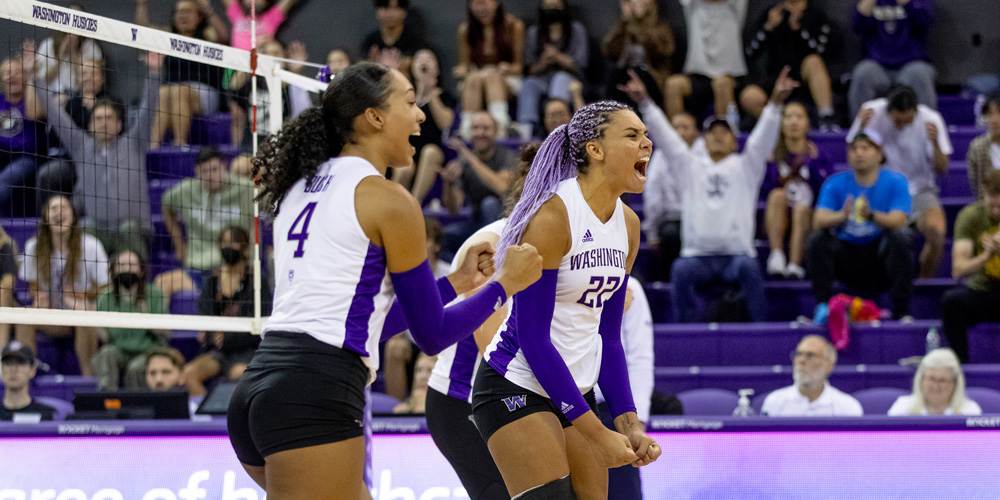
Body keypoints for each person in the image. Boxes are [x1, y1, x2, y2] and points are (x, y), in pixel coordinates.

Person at [225, 62, 542, 498]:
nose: (421, 115)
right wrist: (504, 284)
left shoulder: (299, 186)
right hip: (315, 392)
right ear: (373, 117)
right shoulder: (390, 200)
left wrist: (456, 283)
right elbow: (431, 337)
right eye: (410, 102)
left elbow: (369, 321)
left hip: (261, 386)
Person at [473, 100, 661, 499]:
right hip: (516, 383)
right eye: (632, 135)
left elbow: (609, 339)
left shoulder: (628, 224)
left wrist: (630, 425)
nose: (646, 143)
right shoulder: (554, 216)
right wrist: (596, 432)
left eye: (645, 134)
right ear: (595, 149)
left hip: (575, 390)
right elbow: (533, 338)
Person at [621, 67, 798, 322]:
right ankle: (687, 331)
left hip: (736, 256)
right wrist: (644, 103)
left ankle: (759, 328)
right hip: (697, 257)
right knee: (680, 270)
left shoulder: (745, 166)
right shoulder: (690, 165)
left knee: (749, 268)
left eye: (724, 132)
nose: (717, 136)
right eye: (712, 132)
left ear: (735, 141)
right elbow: (666, 137)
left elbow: (763, 139)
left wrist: (776, 103)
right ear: (703, 140)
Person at [422, 145, 536, 500]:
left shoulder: (564, 247)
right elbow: (492, 345)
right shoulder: (491, 243)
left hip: (519, 398)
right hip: (463, 401)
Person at [37, 51, 163, 259]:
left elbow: (148, 109)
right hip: (100, 230)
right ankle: (79, 289)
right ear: (90, 125)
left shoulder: (134, 142)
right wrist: (36, 78)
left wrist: (154, 71)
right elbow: (55, 116)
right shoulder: (81, 146)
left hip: (133, 230)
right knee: (83, 228)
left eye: (109, 118)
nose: (104, 122)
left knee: (129, 228)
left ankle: (137, 288)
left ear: (119, 124)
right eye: (98, 118)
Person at [809, 130, 913, 323]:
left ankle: (902, 311)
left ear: (879, 154)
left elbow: (899, 220)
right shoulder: (835, 183)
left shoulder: (895, 181)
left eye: (865, 148)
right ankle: (822, 306)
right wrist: (841, 215)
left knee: (899, 240)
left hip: (878, 258)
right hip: (847, 256)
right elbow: (818, 219)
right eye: (854, 148)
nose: (859, 153)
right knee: (818, 240)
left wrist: (871, 216)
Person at [848, 85, 952, 278]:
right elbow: (853, 154)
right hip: (885, 190)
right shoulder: (872, 112)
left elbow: (941, 168)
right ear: (888, 111)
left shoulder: (931, 119)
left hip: (921, 190)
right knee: (888, 239)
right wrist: (861, 129)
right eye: (897, 121)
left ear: (916, 110)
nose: (903, 125)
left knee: (937, 231)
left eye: (907, 120)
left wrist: (936, 143)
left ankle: (924, 282)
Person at [15, 195, 108, 376]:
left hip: (83, 313)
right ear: (46, 218)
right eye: (53, 208)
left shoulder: (90, 245)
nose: (59, 212)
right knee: (22, 317)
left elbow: (106, 288)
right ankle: (27, 372)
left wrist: (85, 294)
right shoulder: (34, 246)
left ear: (73, 216)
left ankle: (89, 377)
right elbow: (33, 287)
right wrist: (39, 298)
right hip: (54, 315)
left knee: (84, 316)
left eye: (64, 208)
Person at [155, 147, 255, 299]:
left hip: (231, 267)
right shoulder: (186, 190)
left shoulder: (245, 188)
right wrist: (178, 244)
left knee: (226, 293)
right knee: (162, 282)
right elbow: (166, 204)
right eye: (205, 171)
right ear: (197, 172)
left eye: (214, 169)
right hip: (196, 269)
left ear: (224, 167)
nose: (211, 176)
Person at [184, 226, 270, 397]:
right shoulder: (212, 281)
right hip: (218, 351)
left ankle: (230, 419)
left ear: (245, 248)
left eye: (233, 242)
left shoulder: (257, 281)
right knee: (189, 373)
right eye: (224, 242)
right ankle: (206, 420)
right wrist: (213, 337)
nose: (227, 246)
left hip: (246, 351)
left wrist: (226, 338)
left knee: (238, 374)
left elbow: (259, 325)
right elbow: (204, 318)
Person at [137, 0, 230, 147]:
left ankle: (180, 144)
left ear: (198, 17)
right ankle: (153, 148)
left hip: (205, 93)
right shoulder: (169, 37)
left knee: (180, 90)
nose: (183, 16)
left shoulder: (206, 35)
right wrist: (141, 5)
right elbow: (142, 30)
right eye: (179, 12)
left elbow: (224, 36)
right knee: (163, 92)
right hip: (173, 93)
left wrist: (207, 9)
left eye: (187, 11)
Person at [595, 278, 654, 500]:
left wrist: (637, 425)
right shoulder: (557, 281)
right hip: (565, 407)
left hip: (615, 412)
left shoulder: (631, 287)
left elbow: (640, 358)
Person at [742, 0, 839, 130]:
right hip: (775, 78)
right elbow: (751, 52)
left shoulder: (815, 14)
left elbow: (821, 51)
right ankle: (780, 127)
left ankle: (826, 117)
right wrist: (768, 27)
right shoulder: (773, 13)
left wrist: (799, 29)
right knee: (749, 96)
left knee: (813, 61)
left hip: (804, 79)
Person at [763, 102, 834, 278]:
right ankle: (777, 255)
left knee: (801, 208)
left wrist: (815, 165)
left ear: (807, 123)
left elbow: (827, 191)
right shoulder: (773, 154)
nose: (793, 122)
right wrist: (771, 166)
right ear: (781, 123)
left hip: (806, 214)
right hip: (779, 215)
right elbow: (765, 192)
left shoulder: (818, 154)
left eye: (799, 117)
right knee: (777, 195)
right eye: (788, 117)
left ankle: (795, 264)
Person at [383, 216, 449, 401]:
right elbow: (396, 322)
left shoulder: (451, 272)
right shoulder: (402, 274)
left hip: (445, 342)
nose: (418, 245)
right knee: (394, 347)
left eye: (425, 240)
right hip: (414, 343)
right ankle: (398, 411)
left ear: (436, 246)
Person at [942, 170, 1000, 364]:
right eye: (992, 205)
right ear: (983, 193)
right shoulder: (971, 216)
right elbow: (958, 269)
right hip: (983, 290)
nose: (996, 211)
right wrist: (985, 256)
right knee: (952, 301)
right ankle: (960, 366)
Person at [441, 112, 518, 255]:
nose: (480, 133)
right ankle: (462, 273)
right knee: (443, 237)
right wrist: (448, 184)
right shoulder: (463, 162)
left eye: (486, 128)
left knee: (489, 204)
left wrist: (470, 158)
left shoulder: (506, 156)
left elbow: (502, 187)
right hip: (476, 223)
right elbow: (453, 210)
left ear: (495, 132)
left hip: (504, 226)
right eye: (476, 128)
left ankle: (495, 260)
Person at [92, 250, 169, 391]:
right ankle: (105, 399)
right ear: (114, 271)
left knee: (135, 368)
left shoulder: (154, 293)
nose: (127, 268)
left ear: (141, 270)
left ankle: (137, 405)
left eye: (132, 264)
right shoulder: (106, 297)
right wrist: (94, 324)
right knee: (106, 353)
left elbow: (166, 332)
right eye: (121, 265)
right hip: (119, 350)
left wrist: (147, 319)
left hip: (147, 351)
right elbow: (104, 338)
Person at [642, 112, 704, 282]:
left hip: (703, 219)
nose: (680, 132)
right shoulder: (661, 157)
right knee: (670, 235)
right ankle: (668, 284)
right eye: (675, 127)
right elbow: (653, 196)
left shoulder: (707, 154)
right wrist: (652, 231)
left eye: (685, 127)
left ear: (696, 133)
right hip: (673, 220)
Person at [665, 0, 748, 126]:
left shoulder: (735, 5)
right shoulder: (693, 6)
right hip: (698, 75)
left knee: (721, 84)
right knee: (673, 85)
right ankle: (677, 139)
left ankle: (723, 137)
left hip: (729, 76)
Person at [848, 0, 936, 118]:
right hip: (878, 65)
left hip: (911, 63)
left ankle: (926, 128)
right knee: (862, 73)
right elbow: (857, 25)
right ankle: (860, 131)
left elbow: (923, 19)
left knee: (920, 74)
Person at [391, 49, 457, 204]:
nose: (424, 61)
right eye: (419, 58)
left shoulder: (443, 96)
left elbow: (445, 124)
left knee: (430, 152)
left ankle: (415, 202)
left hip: (433, 149)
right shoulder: (404, 97)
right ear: (413, 68)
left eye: (430, 59)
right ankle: (392, 204)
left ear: (438, 69)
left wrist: (431, 91)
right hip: (408, 147)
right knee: (404, 167)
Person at [518, 0, 589, 139]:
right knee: (529, 84)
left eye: (556, 7)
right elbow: (530, 70)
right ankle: (525, 129)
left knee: (560, 78)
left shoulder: (576, 30)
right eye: (548, 7)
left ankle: (559, 128)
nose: (552, 11)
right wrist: (544, 62)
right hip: (542, 79)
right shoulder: (534, 33)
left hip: (570, 77)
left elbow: (580, 64)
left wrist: (558, 56)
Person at [455, 0, 525, 138]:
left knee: (492, 76)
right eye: (476, 3)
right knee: (473, 77)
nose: (481, 8)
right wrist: (463, 70)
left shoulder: (513, 26)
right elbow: (463, 65)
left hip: (507, 79)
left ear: (496, 3)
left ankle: (499, 127)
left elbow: (519, 67)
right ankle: (467, 130)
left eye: (485, 2)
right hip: (475, 80)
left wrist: (506, 68)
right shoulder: (465, 30)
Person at [601, 0, 675, 114]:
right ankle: (610, 117)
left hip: (652, 77)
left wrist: (638, 22)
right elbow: (609, 49)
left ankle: (637, 122)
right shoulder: (625, 27)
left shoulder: (661, 28)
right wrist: (625, 22)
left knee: (637, 74)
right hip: (626, 74)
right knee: (615, 73)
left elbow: (661, 51)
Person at [761, 335, 864, 416]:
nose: (801, 360)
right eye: (798, 354)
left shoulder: (847, 408)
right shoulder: (774, 402)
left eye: (810, 355)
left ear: (829, 365)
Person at [0, 56, 45, 216]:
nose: (12, 76)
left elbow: (34, 115)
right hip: (2, 153)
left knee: (4, 180)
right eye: (7, 73)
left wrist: (31, 76)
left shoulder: (31, 98)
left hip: (26, 156)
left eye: (18, 72)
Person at [887, 348, 982, 416]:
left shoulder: (970, 411)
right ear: (921, 379)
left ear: (955, 384)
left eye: (942, 381)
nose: (936, 386)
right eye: (931, 379)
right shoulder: (902, 408)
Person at [360, 0, 425, 70]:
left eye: (396, 8)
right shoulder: (370, 42)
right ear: (377, 11)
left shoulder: (414, 41)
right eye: (386, 7)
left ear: (404, 11)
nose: (391, 13)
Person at [1, 342, 55, 421]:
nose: (13, 369)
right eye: (8, 363)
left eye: (20, 363)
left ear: (32, 370)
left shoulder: (46, 415)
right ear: (2, 369)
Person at [224, 0, 296, 51]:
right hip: (237, 63)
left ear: (266, 2)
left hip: (260, 64)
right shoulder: (237, 12)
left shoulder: (270, 18)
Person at [967, 92, 1000, 200]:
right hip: (987, 208)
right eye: (990, 114)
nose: (995, 120)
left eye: (999, 113)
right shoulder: (977, 147)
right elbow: (976, 187)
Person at [0, 224, 17, 346]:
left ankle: (1, 350)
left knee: (4, 293)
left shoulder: (5, 247)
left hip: (6, 302)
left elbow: (8, 283)